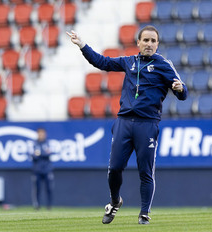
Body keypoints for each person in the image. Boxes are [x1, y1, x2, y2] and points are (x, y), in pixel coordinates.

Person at [67, 25, 188, 225]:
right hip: (124, 122)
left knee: (145, 171)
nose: (149, 44)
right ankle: (115, 201)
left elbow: (182, 93)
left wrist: (180, 88)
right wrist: (82, 45)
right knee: (114, 169)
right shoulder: (129, 62)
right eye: (146, 40)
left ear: (157, 44)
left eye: (153, 41)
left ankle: (144, 214)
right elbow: (102, 62)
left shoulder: (164, 65)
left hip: (147, 124)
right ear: (138, 42)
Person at [31, 128, 54, 210]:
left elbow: (49, 153)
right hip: (37, 170)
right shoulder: (34, 143)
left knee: (49, 188)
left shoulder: (48, 143)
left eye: (43, 134)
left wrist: (39, 153)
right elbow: (33, 155)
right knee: (37, 189)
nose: (41, 135)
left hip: (47, 169)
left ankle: (49, 205)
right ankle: (37, 205)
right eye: (40, 134)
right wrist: (42, 153)